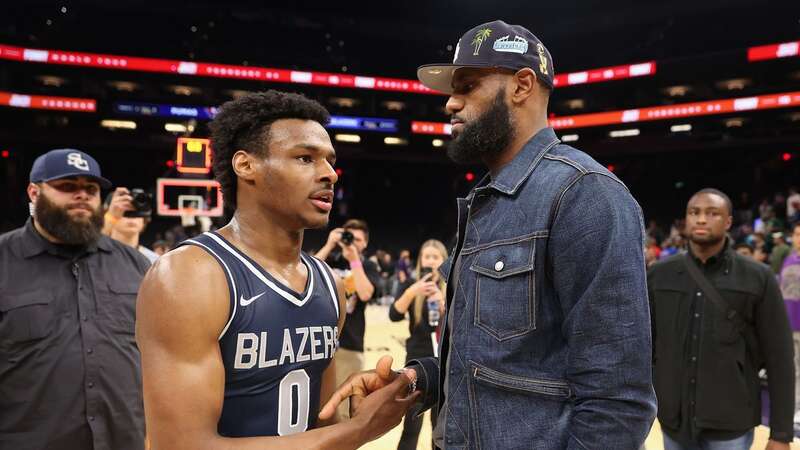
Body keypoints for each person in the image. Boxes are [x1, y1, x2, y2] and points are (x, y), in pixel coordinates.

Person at [324, 19, 656, 449]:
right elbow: (498, 361)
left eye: (468, 86)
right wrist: (417, 378)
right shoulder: (488, 199)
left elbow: (618, 401)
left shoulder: (585, 194)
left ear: (521, 85)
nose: (450, 104)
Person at [136, 91, 417, 449]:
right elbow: (182, 445)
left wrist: (357, 413)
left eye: (331, 161)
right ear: (246, 165)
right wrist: (359, 429)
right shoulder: (190, 276)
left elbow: (321, 423)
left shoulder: (328, 283)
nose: (329, 173)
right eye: (305, 158)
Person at [0, 148, 150, 450]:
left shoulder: (135, 265)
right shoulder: (4, 260)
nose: (81, 195)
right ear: (34, 192)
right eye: (67, 187)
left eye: (90, 189)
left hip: (123, 441)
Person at [649, 188, 795, 450]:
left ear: (728, 221)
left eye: (712, 213)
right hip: (673, 422)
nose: (701, 219)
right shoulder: (659, 275)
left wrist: (781, 434)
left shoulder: (758, 277)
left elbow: (780, 359)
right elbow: (646, 348)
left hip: (731, 424)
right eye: (694, 212)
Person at [315, 219, 382, 420]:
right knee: (318, 408)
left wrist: (354, 260)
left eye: (358, 240)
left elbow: (365, 294)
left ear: (366, 243)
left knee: (343, 413)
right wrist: (329, 245)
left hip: (350, 345)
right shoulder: (332, 260)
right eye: (349, 238)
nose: (353, 243)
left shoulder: (368, 265)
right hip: (322, 342)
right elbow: (306, 275)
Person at [389, 239, 447, 450]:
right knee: (411, 424)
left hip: (444, 362)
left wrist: (442, 301)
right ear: (420, 260)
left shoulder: (451, 286)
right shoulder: (411, 286)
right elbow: (394, 314)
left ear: (444, 260)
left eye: (435, 257)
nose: (430, 261)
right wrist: (413, 292)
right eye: (427, 256)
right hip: (416, 363)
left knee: (440, 426)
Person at [779, 222, 800, 430]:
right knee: (793, 369)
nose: (798, 238)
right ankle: (796, 408)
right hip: (789, 323)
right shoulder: (788, 260)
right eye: (796, 234)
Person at [103, 189, 159, 263]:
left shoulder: (155, 261)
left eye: (137, 210)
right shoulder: (97, 257)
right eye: (125, 211)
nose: (131, 217)